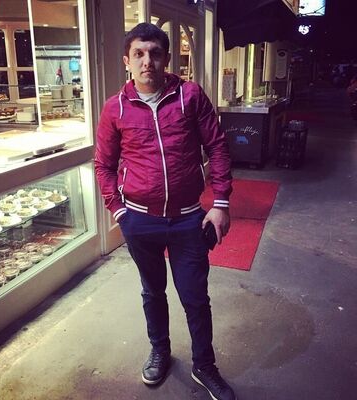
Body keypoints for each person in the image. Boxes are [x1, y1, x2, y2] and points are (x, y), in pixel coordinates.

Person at [95, 23, 236, 400]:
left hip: (189, 218)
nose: (147, 62)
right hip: (139, 220)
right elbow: (103, 165)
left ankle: (204, 365)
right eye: (139, 54)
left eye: (155, 53)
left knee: (195, 297)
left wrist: (220, 203)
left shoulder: (190, 96)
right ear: (127, 61)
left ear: (167, 58)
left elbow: (217, 147)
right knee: (152, 291)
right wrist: (118, 210)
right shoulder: (115, 108)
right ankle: (160, 350)